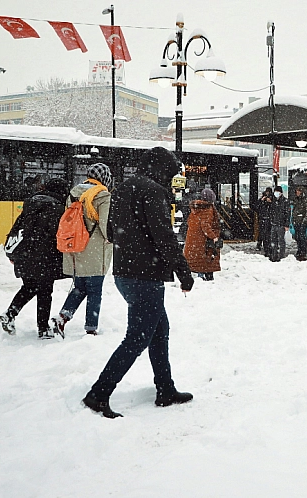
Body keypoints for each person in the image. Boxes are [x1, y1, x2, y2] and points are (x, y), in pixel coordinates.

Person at [82, 147, 194, 419]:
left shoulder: (121, 189)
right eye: (169, 174)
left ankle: (165, 389)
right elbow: (164, 236)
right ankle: (98, 394)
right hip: (146, 275)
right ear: (161, 170)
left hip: (125, 273)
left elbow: (110, 231)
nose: (169, 180)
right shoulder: (153, 191)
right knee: (137, 337)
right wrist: (183, 271)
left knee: (158, 330)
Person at [0, 178, 69, 339]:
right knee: (45, 291)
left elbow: (16, 229)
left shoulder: (30, 205)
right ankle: (43, 329)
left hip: (25, 255)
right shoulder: (57, 208)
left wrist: (14, 254)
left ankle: (10, 314)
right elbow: (56, 235)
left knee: (30, 286)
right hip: (44, 257)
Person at [50, 164, 113, 338]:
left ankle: (62, 317)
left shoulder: (74, 193)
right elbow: (106, 226)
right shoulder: (103, 195)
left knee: (80, 287)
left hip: (75, 247)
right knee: (94, 290)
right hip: (94, 251)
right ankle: (91, 328)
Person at [183, 187, 221, 281]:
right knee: (207, 260)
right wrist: (214, 237)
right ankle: (206, 279)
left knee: (198, 261)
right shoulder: (207, 208)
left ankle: (201, 276)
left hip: (194, 239)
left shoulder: (196, 207)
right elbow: (205, 225)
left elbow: (189, 222)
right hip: (203, 241)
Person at [268, 186, 290, 262]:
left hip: (281, 224)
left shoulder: (285, 201)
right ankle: (274, 255)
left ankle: (281, 256)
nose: (276, 193)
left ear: (280, 193)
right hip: (274, 224)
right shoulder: (273, 201)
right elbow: (271, 211)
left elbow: (287, 214)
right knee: (273, 241)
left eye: (277, 192)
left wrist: (286, 225)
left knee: (281, 241)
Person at [290, 186, 307, 261]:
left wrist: (304, 221)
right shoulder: (296, 199)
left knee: (302, 237)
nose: (297, 192)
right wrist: (293, 220)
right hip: (296, 221)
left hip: (302, 222)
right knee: (298, 237)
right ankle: (299, 251)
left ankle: (303, 252)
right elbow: (294, 210)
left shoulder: (305, 200)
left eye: (298, 191)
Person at [256, 187, 273, 256]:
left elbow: (274, 208)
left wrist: (270, 202)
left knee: (268, 234)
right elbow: (257, 207)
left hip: (269, 218)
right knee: (262, 233)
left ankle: (269, 246)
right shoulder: (262, 200)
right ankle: (260, 244)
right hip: (262, 218)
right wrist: (261, 201)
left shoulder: (272, 199)